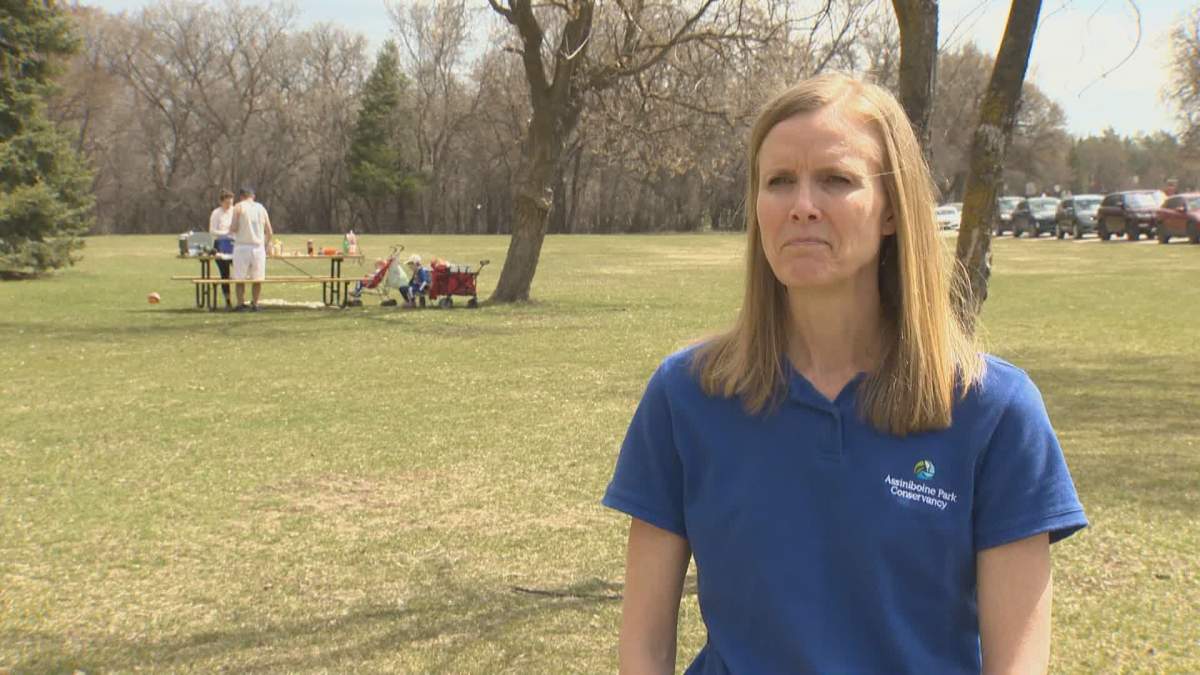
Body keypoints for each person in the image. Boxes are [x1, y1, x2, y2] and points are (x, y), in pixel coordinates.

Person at [603, 73, 1087, 674]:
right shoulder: (685, 397)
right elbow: (644, 649)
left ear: (891, 211)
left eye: (836, 179)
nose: (803, 205)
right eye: (779, 181)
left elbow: (1017, 662)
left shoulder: (995, 411)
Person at [228, 186, 273, 312]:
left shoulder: (238, 206)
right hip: (258, 247)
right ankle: (255, 304)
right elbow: (269, 231)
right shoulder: (261, 208)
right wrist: (265, 245)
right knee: (257, 278)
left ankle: (241, 303)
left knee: (240, 278)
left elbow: (234, 227)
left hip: (242, 247)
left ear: (242, 196)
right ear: (253, 196)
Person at [208, 189, 235, 309]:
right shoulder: (216, 213)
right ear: (221, 202)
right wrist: (225, 233)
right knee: (225, 274)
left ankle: (241, 301)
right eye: (227, 203)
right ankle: (228, 300)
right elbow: (212, 230)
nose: (229, 205)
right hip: (220, 244)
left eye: (231, 203)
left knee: (241, 271)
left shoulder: (235, 211)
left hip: (234, 244)